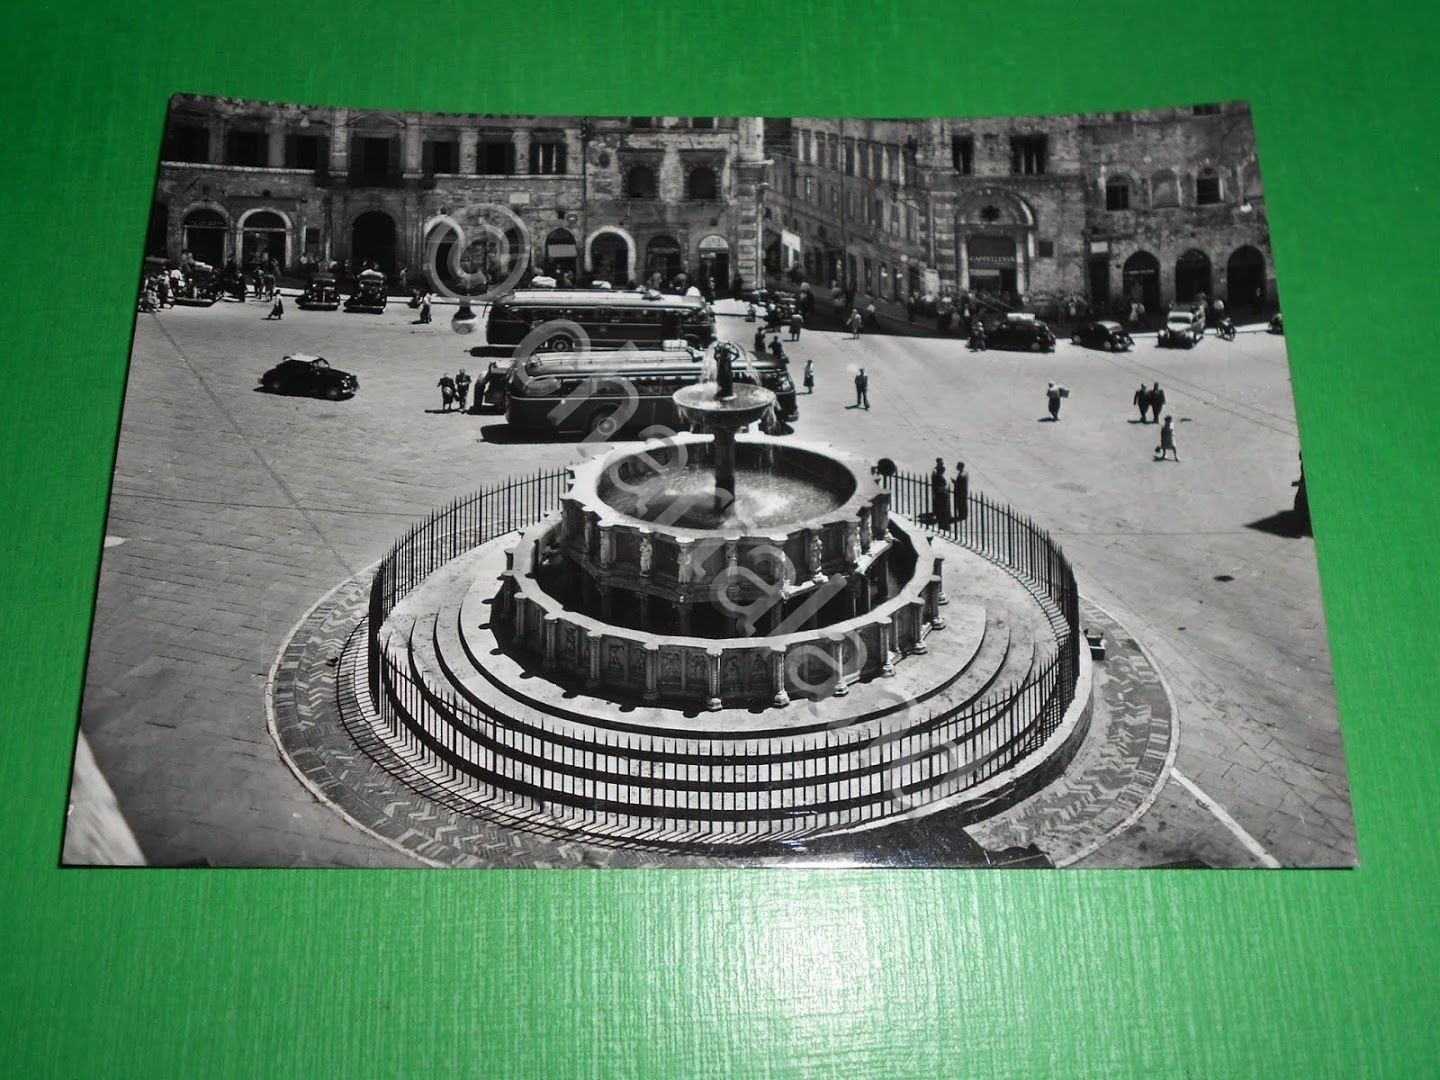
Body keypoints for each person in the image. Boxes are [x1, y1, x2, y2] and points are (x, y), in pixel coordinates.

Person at [930, 459, 951, 528]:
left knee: (941, 509)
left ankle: (941, 521)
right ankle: (943, 523)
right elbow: (936, 482)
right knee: (941, 509)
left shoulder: (938, 472)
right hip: (940, 493)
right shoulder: (936, 472)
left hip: (940, 493)